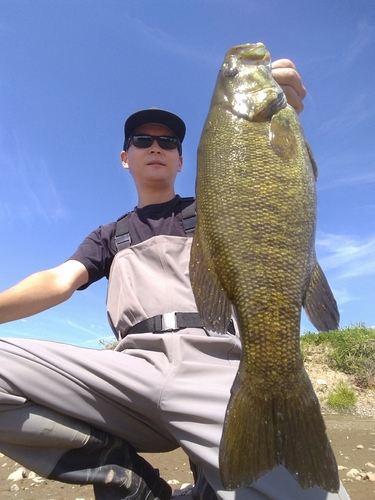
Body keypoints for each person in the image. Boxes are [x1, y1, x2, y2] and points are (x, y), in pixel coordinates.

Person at [0, 60, 350, 500]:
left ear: (183, 160)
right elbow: (58, 281)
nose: (156, 147)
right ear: (125, 156)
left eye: (168, 141)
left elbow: (267, 200)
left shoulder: (213, 208)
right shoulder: (109, 235)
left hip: (217, 364)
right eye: (142, 140)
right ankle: (120, 474)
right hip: (130, 371)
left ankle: (206, 486)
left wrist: (276, 123)